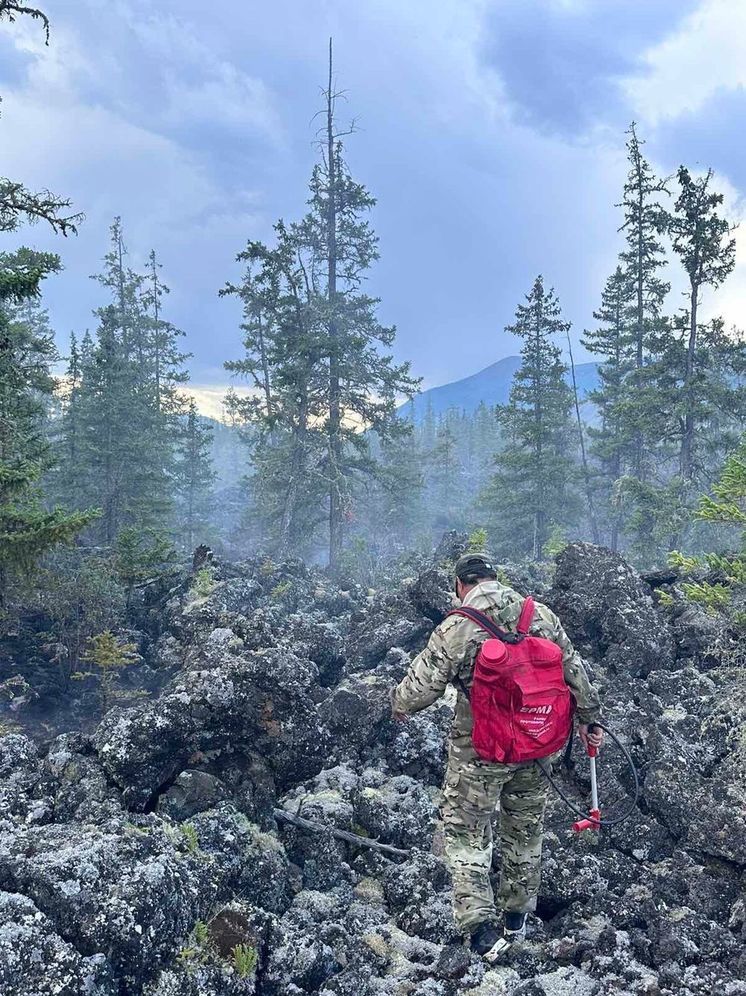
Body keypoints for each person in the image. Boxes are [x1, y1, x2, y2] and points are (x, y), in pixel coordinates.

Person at [390, 553, 603, 961]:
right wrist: (590, 719)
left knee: (466, 830)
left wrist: (398, 705)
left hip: (480, 753)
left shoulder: (457, 626)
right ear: (495, 579)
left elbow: (421, 686)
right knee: (524, 831)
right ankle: (516, 920)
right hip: (536, 746)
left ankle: (481, 930)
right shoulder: (538, 614)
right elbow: (574, 670)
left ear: (460, 586)